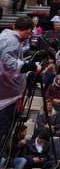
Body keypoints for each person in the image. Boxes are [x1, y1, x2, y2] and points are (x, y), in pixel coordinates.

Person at [0, 16, 36, 145]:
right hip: (5, 95)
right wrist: (30, 66)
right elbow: (9, 62)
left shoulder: (5, 36)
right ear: (27, 31)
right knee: (2, 129)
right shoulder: (12, 41)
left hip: (5, 91)